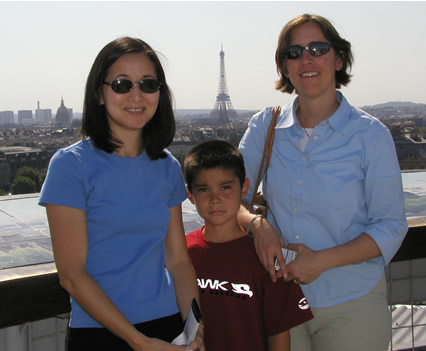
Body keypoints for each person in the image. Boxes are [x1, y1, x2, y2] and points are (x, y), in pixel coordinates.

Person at [238, 14, 408, 351]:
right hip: (281, 298)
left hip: (352, 304)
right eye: (294, 52)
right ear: (284, 67)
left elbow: (390, 226)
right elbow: (230, 200)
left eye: (318, 48)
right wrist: (258, 225)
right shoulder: (264, 128)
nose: (306, 59)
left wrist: (322, 260)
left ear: (339, 59)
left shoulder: (370, 136)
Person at [39, 37, 203, 351]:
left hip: (169, 326)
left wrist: (197, 327)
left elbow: (179, 262)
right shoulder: (70, 166)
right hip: (102, 332)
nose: (136, 95)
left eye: (148, 84)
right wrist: (137, 341)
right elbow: (71, 274)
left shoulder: (166, 165)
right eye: (121, 84)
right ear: (99, 94)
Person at [184, 140, 313, 351]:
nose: (215, 198)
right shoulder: (183, 255)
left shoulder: (267, 256)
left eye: (225, 187)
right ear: (190, 195)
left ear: (244, 188)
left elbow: (279, 335)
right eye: (204, 189)